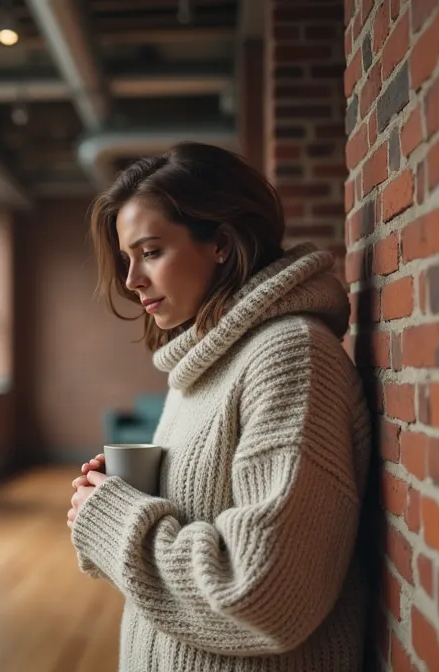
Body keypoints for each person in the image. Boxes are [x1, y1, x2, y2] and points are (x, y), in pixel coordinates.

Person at [65, 141, 372, 671]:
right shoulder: (200, 366)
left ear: (221, 244)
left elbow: (265, 594)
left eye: (151, 251)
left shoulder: (289, 357)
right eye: (126, 258)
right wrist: (117, 495)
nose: (132, 280)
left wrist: (116, 520)